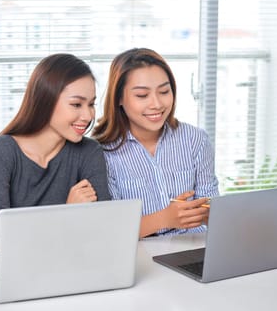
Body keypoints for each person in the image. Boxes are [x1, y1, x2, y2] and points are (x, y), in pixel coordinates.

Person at [0, 53, 111, 254]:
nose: (88, 115)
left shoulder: (89, 152)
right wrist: (68, 213)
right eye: (76, 104)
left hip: (56, 261)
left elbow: (103, 228)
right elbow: (1, 245)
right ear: (45, 101)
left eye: (91, 104)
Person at [93, 48, 218, 238]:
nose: (157, 104)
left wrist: (209, 212)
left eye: (164, 91)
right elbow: (112, 230)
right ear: (118, 98)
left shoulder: (195, 140)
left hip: (195, 246)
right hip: (138, 255)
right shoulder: (102, 152)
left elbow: (212, 209)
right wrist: (165, 218)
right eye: (142, 95)